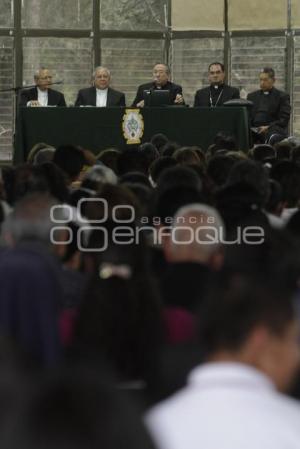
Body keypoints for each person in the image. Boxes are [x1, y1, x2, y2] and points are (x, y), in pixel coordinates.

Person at [146, 260, 300, 449]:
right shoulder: (293, 427)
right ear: (260, 341)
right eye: (294, 340)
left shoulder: (153, 425)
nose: (296, 357)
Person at [247, 67, 291, 144]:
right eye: (260, 80)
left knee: (273, 136)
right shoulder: (252, 96)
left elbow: (283, 120)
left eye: (265, 80)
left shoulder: (282, 97)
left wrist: (268, 127)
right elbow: (248, 117)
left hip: (273, 129)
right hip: (254, 130)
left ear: (273, 81)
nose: (262, 83)